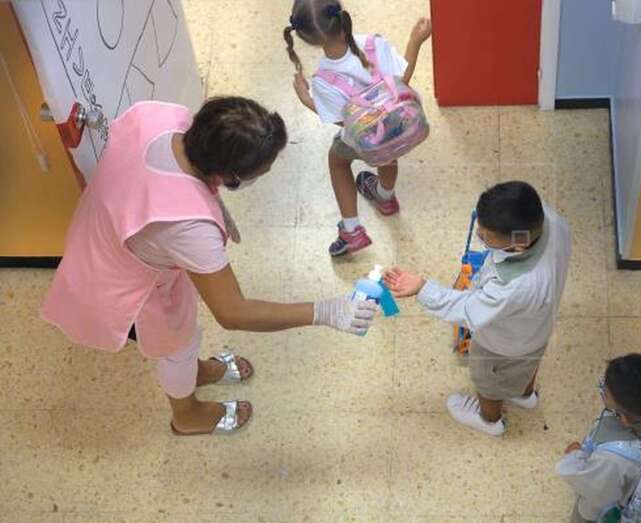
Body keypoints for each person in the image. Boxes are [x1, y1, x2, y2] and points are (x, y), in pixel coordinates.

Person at [41, 97, 377, 436]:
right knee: (176, 345)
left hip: (110, 230)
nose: (265, 173)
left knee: (184, 332)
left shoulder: (162, 117)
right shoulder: (190, 227)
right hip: (124, 283)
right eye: (260, 172)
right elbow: (233, 313)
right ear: (226, 175)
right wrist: (325, 312)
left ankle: (195, 370)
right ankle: (187, 415)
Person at [384, 181, 571, 436]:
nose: (480, 236)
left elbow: (468, 309)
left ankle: (489, 420)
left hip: (501, 345)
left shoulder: (513, 285)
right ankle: (525, 395)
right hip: (537, 331)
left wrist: (421, 288)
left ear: (517, 245)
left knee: (488, 381)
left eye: (485, 237)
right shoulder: (550, 220)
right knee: (529, 363)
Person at [284, 0, 432, 256]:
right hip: (400, 124)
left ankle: (352, 231)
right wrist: (415, 41)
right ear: (342, 16)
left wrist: (306, 98)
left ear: (309, 40)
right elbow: (402, 82)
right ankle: (385, 197)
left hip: (366, 138)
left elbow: (346, 123)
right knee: (389, 152)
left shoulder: (323, 80)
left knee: (337, 161)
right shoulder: (374, 44)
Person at [556, 354, 641, 523]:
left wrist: (574, 456)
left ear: (624, 419)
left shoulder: (613, 459)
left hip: (601, 509)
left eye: (604, 392)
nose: (602, 389)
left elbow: (596, 491)